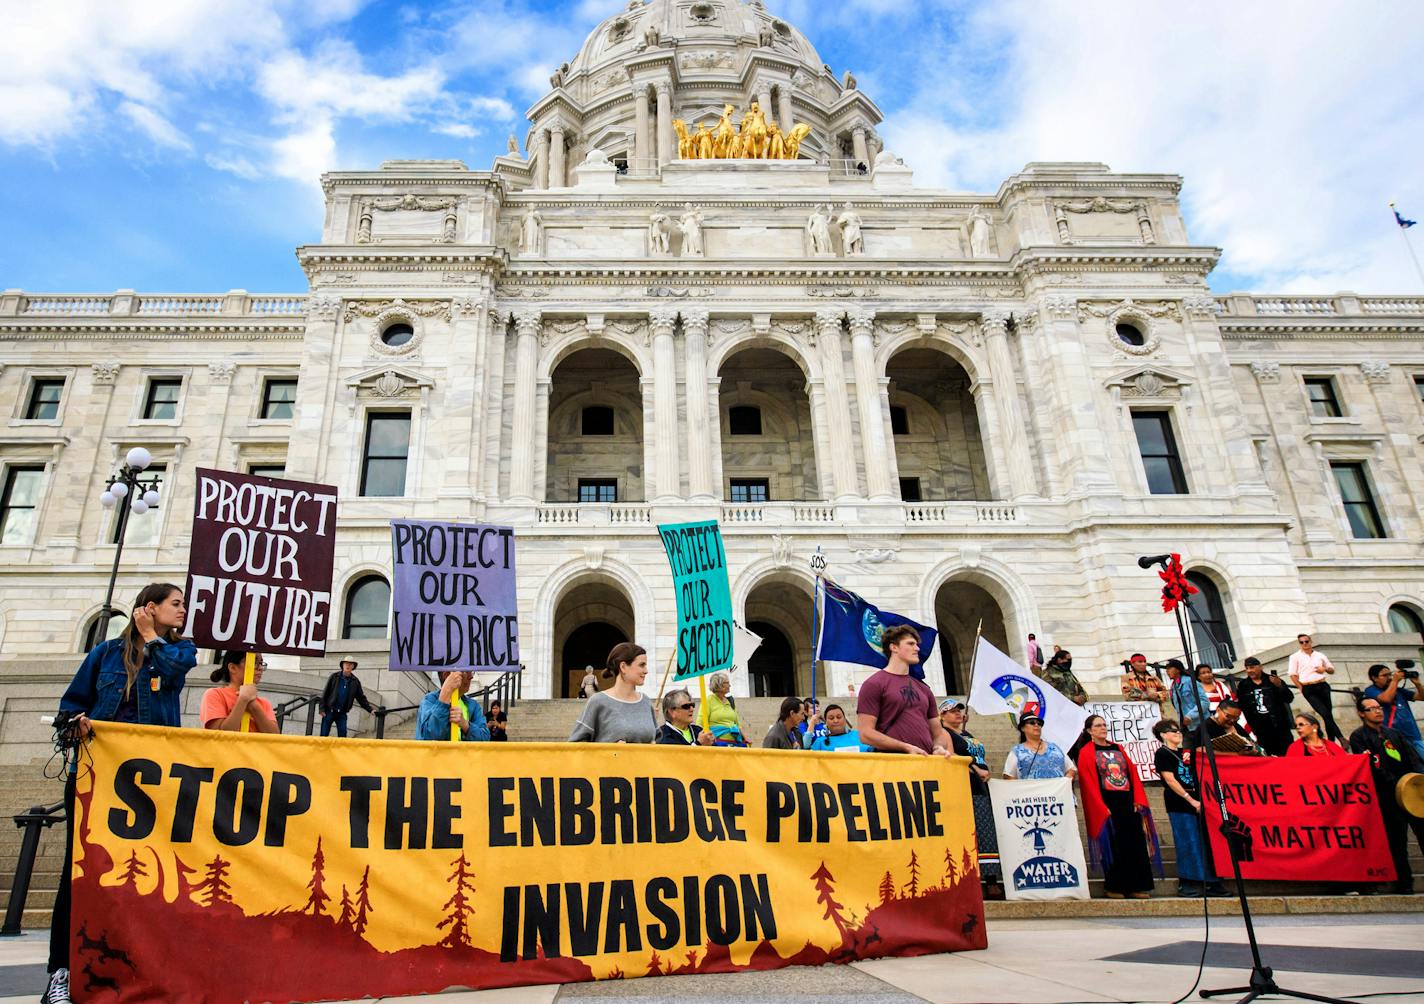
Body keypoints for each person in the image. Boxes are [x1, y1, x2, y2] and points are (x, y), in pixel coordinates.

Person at [47, 583, 197, 1004]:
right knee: (76, 875)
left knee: (146, 875)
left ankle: (136, 968)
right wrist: (76, 723)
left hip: (148, 786)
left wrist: (152, 636)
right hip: (96, 779)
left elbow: (173, 671)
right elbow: (69, 706)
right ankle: (62, 972)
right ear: (149, 608)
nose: (184, 610)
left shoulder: (180, 651)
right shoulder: (105, 655)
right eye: (176, 603)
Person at [1076, 714, 1160, 899]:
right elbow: (1088, 783)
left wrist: (1137, 798)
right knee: (1115, 846)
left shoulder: (1118, 747)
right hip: (1107, 802)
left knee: (1135, 843)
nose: (1103, 728)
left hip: (1127, 800)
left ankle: (1138, 885)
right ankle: (1115, 886)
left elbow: (1132, 773)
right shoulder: (1086, 752)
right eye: (1098, 726)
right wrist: (1100, 806)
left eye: (1104, 725)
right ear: (1090, 730)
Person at [1350, 696, 1422, 894]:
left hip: (1411, 791)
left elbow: (1412, 757)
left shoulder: (1394, 733)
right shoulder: (1359, 737)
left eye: (1379, 707)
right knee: (1398, 841)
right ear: (1361, 713)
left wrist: (1415, 778)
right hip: (1388, 796)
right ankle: (1405, 883)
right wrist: (1395, 783)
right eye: (1371, 709)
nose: (1378, 711)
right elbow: (1372, 766)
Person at [1152, 719, 1228, 898]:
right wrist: (1190, 800)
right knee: (1187, 840)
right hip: (1179, 800)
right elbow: (1170, 779)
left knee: (1205, 841)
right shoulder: (1162, 753)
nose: (1178, 733)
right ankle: (1186, 882)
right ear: (1163, 735)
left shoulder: (1185, 753)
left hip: (1197, 796)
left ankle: (1211, 881)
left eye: (1179, 731)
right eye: (1173, 731)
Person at [856, 625, 952, 756]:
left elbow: (938, 733)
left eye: (916, 644)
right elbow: (866, 734)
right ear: (894, 647)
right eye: (911, 644)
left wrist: (938, 747)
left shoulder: (924, 688)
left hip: (926, 763)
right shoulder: (873, 684)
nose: (917, 648)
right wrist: (906, 747)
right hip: (893, 765)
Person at [940, 699, 1001, 893]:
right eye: (951, 711)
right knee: (977, 829)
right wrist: (975, 768)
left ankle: (990, 876)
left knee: (986, 830)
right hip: (965, 782)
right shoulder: (943, 733)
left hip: (980, 784)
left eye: (959, 710)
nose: (957, 713)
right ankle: (981, 880)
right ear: (942, 715)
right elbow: (949, 755)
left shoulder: (966, 733)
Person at [568, 642, 657, 743]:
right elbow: (575, 746)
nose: (646, 671)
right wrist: (610, 751)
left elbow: (658, 740)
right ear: (623, 667)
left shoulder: (645, 701)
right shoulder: (598, 702)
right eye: (642, 665)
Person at [201, 650, 278, 733]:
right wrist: (243, 700)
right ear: (232, 668)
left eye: (261, 663)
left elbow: (274, 737)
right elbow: (219, 736)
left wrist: (254, 706)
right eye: (254, 662)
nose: (260, 668)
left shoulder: (264, 703)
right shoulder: (215, 694)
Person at [1288, 634, 1344, 743]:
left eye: (1306, 641)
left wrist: (1325, 669)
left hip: (1322, 685)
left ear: (1310, 641)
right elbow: (1292, 674)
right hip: (1308, 688)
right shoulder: (1295, 657)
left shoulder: (1319, 655)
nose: (1304, 644)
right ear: (1299, 643)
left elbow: (1332, 670)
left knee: (1328, 715)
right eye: (1301, 642)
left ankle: (1331, 741)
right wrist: (1301, 688)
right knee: (1325, 713)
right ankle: (1341, 738)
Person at [1363, 663, 1424, 764]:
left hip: (1413, 736)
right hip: (1393, 739)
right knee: (1408, 767)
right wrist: (1395, 680)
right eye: (1384, 675)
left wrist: (1418, 684)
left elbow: (1421, 697)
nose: (1389, 678)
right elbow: (1386, 698)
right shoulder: (1371, 691)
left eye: (1390, 674)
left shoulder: (1399, 691)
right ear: (1374, 678)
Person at [1236, 657, 1294, 756]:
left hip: (1280, 726)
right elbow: (1242, 705)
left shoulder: (1272, 680)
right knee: (1269, 756)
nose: (1249, 671)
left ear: (1260, 667)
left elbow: (1289, 698)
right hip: (1261, 729)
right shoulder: (1243, 685)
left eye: (1252, 667)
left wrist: (1280, 686)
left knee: (1288, 753)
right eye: (1247, 668)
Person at [417, 671, 490, 742]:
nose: (471, 676)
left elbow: (485, 738)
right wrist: (445, 697)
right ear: (447, 675)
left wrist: (466, 725)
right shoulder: (429, 700)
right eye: (465, 672)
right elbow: (428, 737)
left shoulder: (473, 706)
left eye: (471, 671)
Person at [1002, 712, 1075, 779]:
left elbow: (1071, 768)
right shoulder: (1017, 751)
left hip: (1057, 792)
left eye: (1039, 723)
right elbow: (1008, 775)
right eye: (1031, 723)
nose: (1036, 725)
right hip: (1032, 793)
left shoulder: (1055, 747)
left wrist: (1069, 776)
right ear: (1023, 728)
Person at [319, 658, 374, 737]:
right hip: (329, 711)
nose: (348, 666)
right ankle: (322, 749)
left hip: (342, 713)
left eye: (350, 664)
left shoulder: (355, 681)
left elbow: (361, 698)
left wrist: (370, 709)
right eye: (346, 664)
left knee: (343, 736)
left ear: (353, 667)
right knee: (323, 735)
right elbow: (325, 693)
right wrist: (321, 708)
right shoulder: (334, 677)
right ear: (342, 665)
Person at [1166, 659, 1210, 744]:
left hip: (1201, 725)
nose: (1167, 672)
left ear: (1178, 670)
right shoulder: (1173, 687)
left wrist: (1190, 716)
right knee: (1189, 754)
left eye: (1169, 669)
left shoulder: (1190, 681)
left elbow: (1205, 702)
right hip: (1185, 728)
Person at [703, 671, 748, 746]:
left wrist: (745, 738)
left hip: (734, 743)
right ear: (719, 684)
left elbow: (737, 723)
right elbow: (701, 723)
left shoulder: (730, 700)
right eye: (727, 683)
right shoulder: (709, 700)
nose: (729, 685)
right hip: (717, 743)